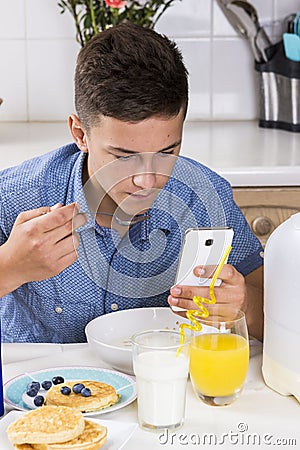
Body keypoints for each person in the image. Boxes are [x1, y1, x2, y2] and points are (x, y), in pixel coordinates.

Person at [0, 22, 263, 344]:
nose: (147, 180)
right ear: (80, 134)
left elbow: (275, 311)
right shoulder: (15, 195)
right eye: (124, 156)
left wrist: (245, 305)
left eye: (167, 151)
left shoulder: (204, 196)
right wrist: (9, 268)